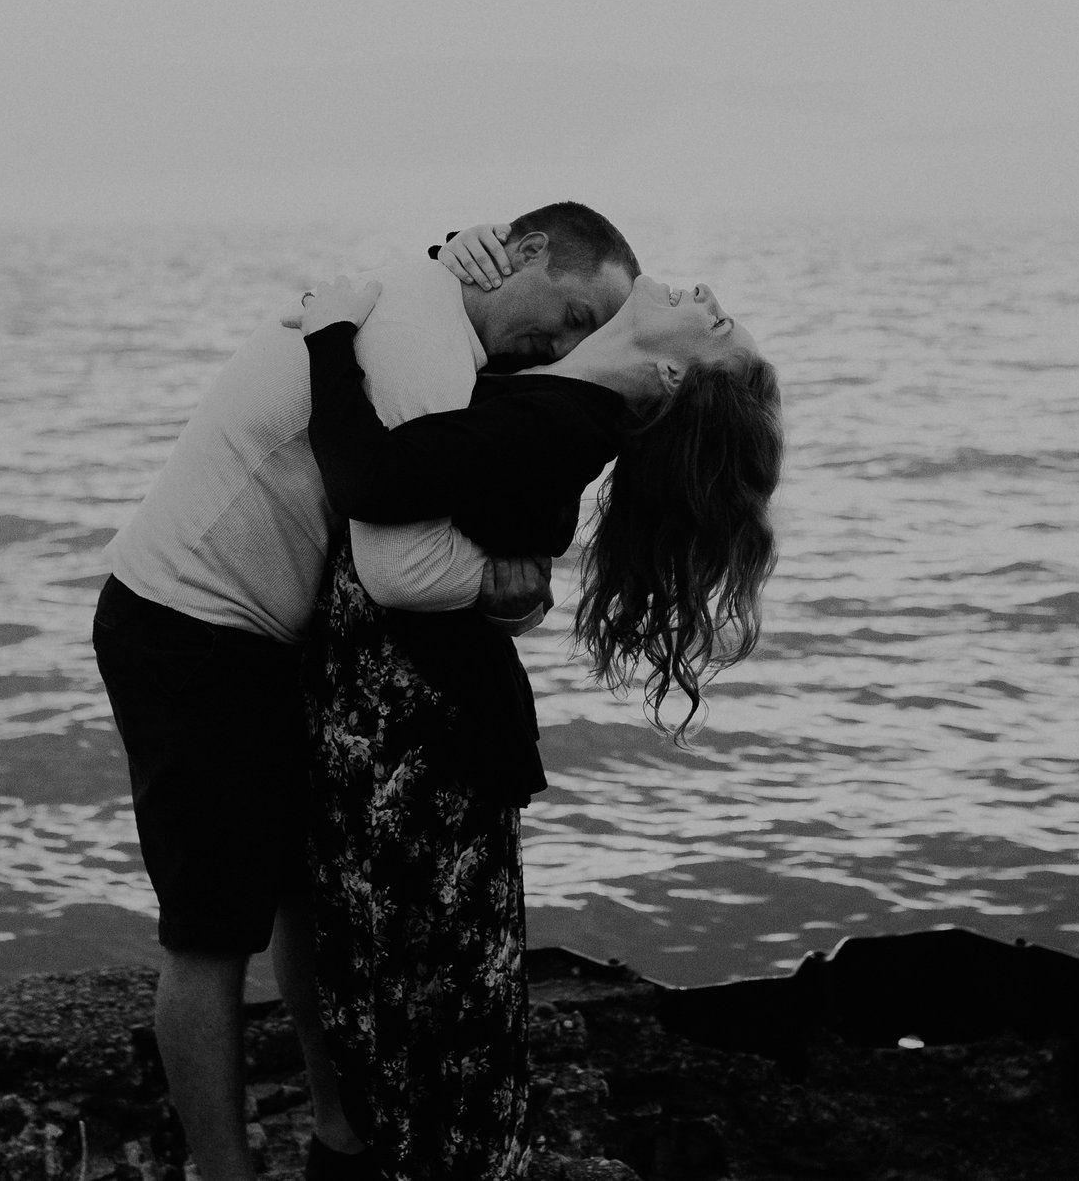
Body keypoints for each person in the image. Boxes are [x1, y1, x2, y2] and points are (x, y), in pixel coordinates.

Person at [90, 204, 641, 1181]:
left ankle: (339, 1126)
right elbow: (404, 564)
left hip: (270, 636)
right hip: (187, 626)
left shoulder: (445, 321)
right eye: (566, 312)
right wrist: (498, 586)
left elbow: (490, 506)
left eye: (583, 338)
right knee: (213, 930)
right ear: (517, 254)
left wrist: (516, 589)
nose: (560, 345)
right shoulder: (417, 337)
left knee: (310, 894)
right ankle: (223, 1168)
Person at [291, 264, 782, 1181]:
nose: (712, 295)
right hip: (412, 732)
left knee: (429, 1029)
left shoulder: (563, 421)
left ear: (669, 380)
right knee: (436, 1018)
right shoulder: (560, 401)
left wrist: (327, 337)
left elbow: (377, 476)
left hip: (415, 745)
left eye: (719, 330)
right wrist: (456, 249)